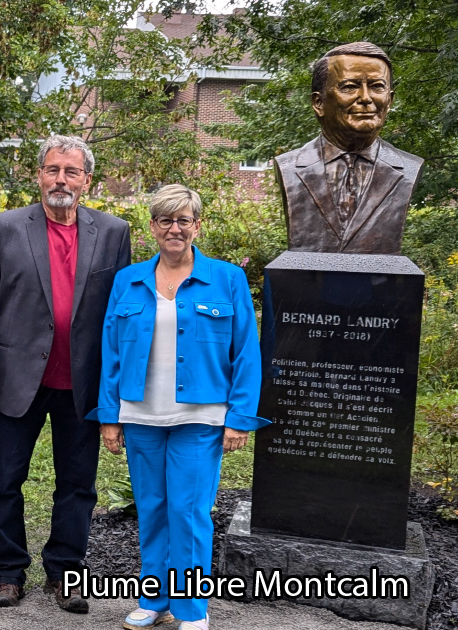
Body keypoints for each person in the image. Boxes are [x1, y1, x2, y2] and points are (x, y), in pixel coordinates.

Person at [90, 184, 268, 630]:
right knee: (151, 508)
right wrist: (109, 417)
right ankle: (154, 599)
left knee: (188, 513)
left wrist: (240, 417)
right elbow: (110, 352)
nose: (175, 228)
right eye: (166, 220)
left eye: (183, 220)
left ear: (197, 225)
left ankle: (191, 609)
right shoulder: (128, 280)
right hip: (141, 415)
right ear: (153, 227)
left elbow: (247, 351)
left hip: (201, 417)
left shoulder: (226, 278)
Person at [0, 135, 131, 612]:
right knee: (3, 480)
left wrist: (116, 389)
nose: (61, 179)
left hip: (84, 383)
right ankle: (7, 573)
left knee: (78, 484)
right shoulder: (5, 227)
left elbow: (120, 315)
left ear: (87, 180)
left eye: (71, 171)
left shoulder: (115, 232)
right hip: (17, 378)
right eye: (53, 169)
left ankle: (66, 573)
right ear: (38, 174)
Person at [276, 41, 424, 254]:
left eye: (377, 86)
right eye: (350, 86)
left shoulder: (409, 168)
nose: (365, 98)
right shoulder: (290, 167)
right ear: (319, 102)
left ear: (389, 100)